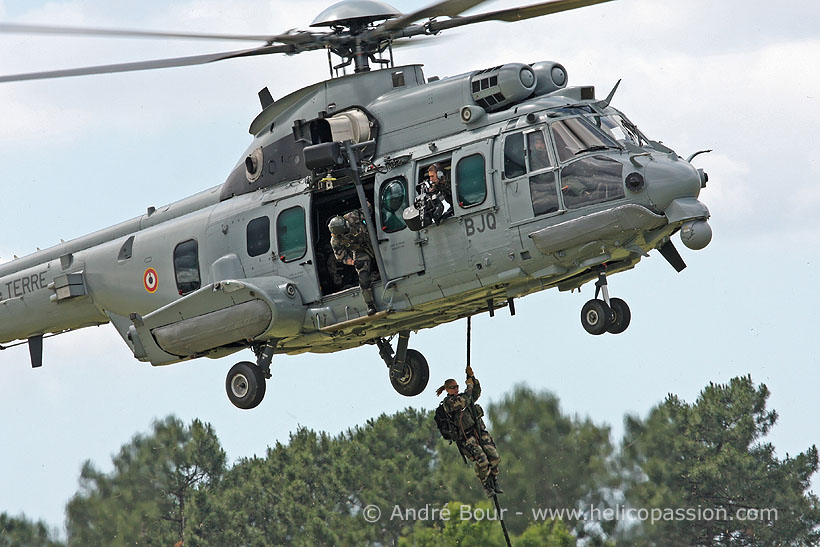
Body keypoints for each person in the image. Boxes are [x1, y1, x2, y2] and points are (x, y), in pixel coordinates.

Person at [436, 366, 502, 497]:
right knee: (482, 460)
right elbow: (464, 400)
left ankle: (494, 480)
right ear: (447, 390)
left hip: (479, 432)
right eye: (453, 387)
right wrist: (469, 386)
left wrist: (472, 378)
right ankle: (486, 484)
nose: (456, 389)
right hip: (467, 438)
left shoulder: (464, 396)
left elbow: (475, 393)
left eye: (457, 386)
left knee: (494, 457)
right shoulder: (448, 402)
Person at [328, 209, 378, 315]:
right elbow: (340, 256)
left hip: (374, 240)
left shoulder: (352, 216)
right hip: (360, 251)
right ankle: (370, 304)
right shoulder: (335, 240)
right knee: (363, 277)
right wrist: (353, 262)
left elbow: (368, 207)